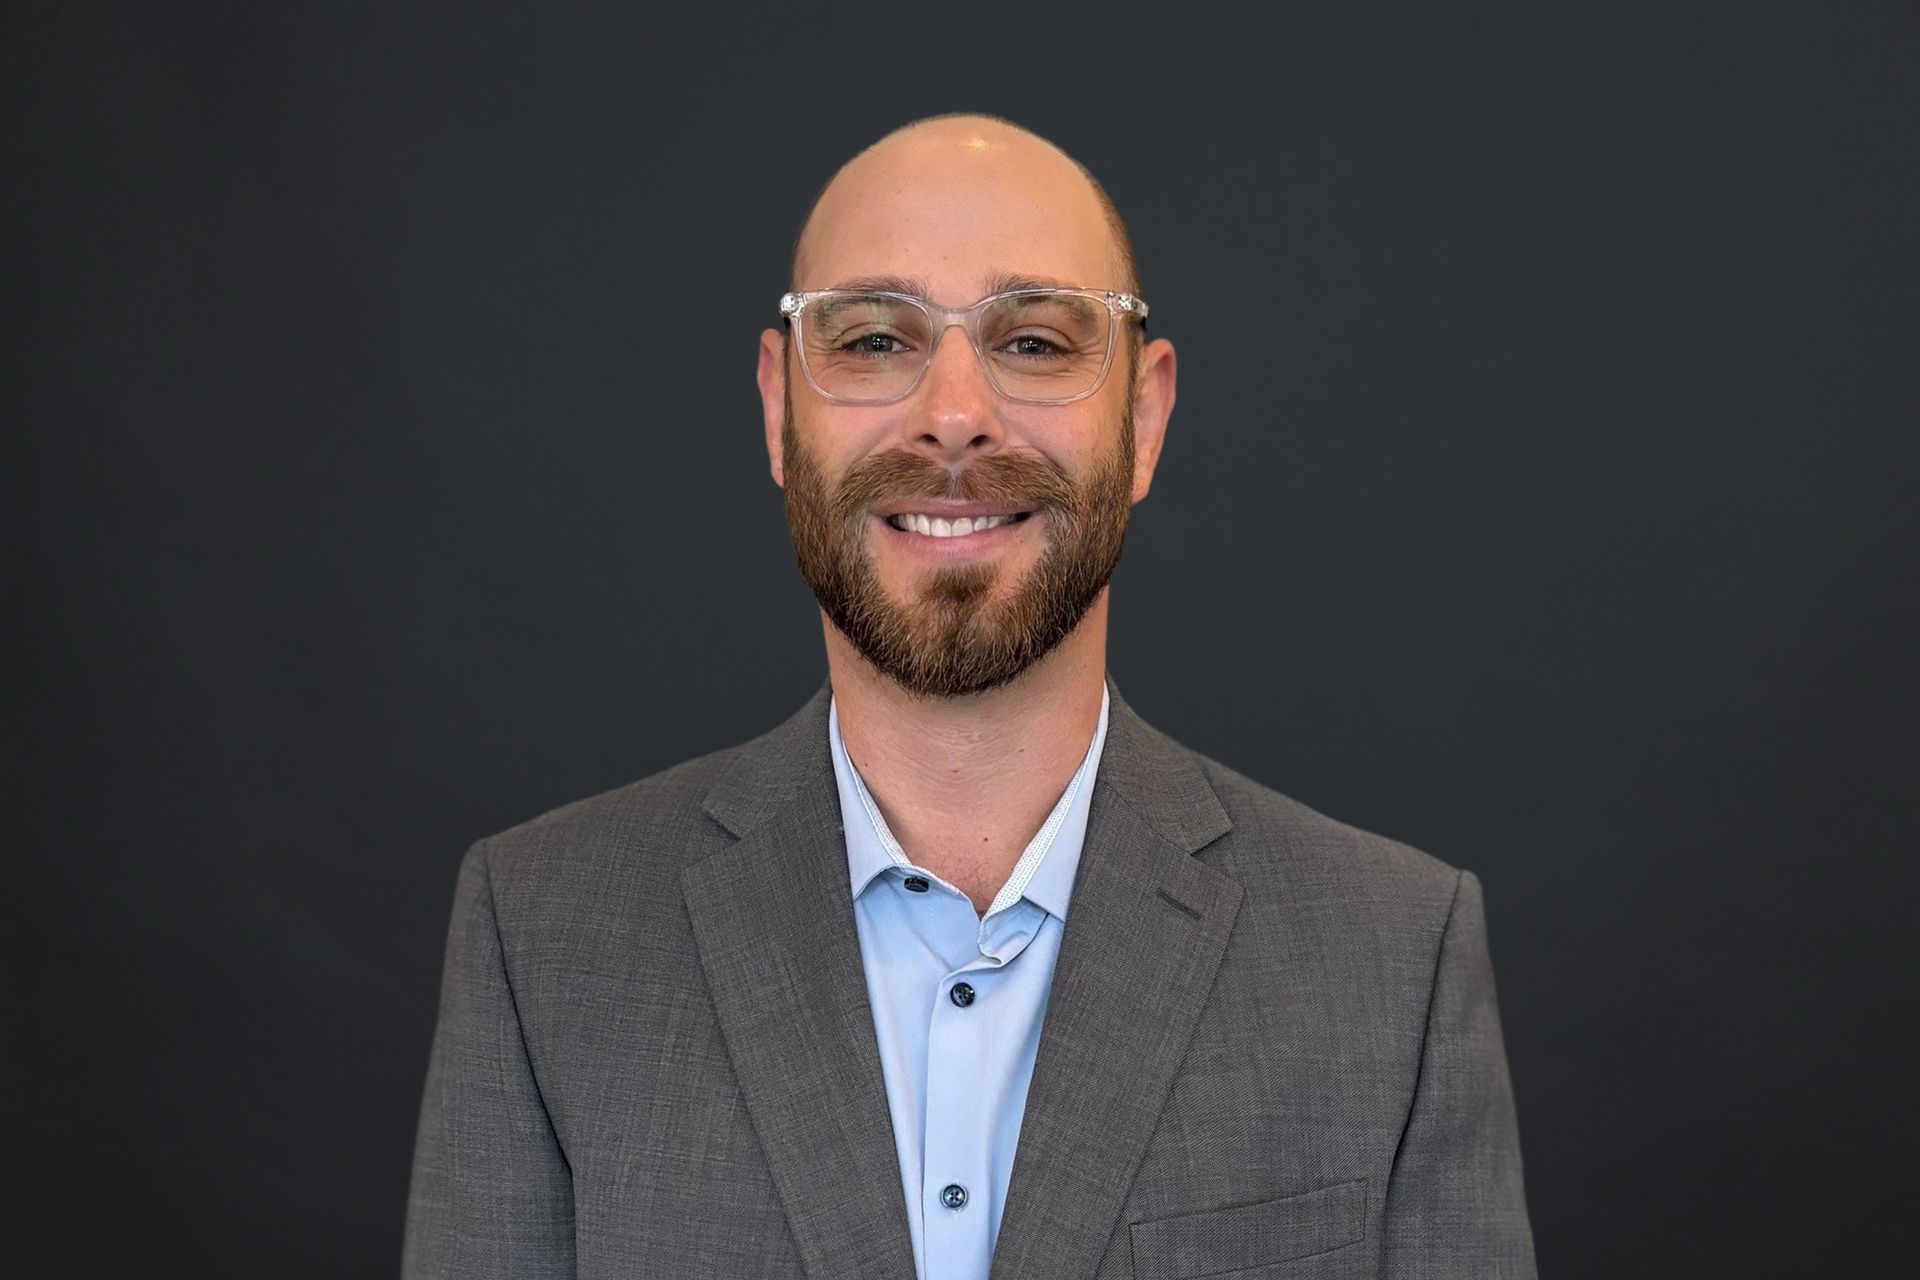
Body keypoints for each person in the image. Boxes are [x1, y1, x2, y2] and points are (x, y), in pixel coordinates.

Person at [403, 113, 1536, 1280]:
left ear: (1143, 419)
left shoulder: (1393, 959)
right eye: (876, 339)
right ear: (779, 409)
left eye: (1037, 342)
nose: (954, 412)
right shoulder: (540, 936)